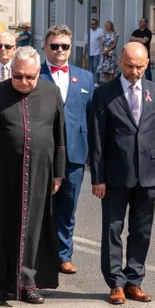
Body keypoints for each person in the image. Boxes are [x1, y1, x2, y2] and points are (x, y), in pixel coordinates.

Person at [0, 46, 65, 306]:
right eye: (18, 76)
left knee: (34, 229)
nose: (24, 82)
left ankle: (27, 284)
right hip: (1, 173)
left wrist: (58, 173)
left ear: (38, 73)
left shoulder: (51, 92)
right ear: (11, 72)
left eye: (30, 77)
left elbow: (60, 137)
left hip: (39, 173)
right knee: (0, 228)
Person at [89, 42, 155, 305]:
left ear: (147, 64)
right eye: (129, 65)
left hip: (149, 173)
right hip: (115, 174)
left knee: (141, 230)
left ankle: (134, 280)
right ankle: (115, 283)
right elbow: (98, 139)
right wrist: (98, 179)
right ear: (120, 63)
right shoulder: (104, 93)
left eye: (139, 66)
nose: (133, 71)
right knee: (113, 229)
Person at [39, 25, 94, 275]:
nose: (60, 50)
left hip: (74, 151)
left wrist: (92, 151)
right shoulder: (34, 75)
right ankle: (38, 253)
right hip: (43, 152)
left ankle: (64, 255)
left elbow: (91, 116)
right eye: (55, 46)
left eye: (65, 46)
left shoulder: (85, 77)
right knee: (40, 206)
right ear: (45, 47)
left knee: (67, 207)